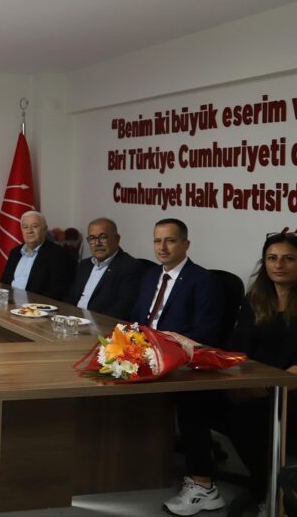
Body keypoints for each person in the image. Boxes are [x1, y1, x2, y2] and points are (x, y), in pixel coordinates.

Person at [164, 232, 297, 516]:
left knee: (246, 416)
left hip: (287, 394)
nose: (279, 265)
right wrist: (236, 382)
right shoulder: (256, 299)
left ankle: (273, 491)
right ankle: (202, 485)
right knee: (192, 398)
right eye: (272, 258)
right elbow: (236, 349)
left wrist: (265, 388)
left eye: (288, 259)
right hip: (250, 384)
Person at [129, 218, 223, 346]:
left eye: (170, 241)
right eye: (157, 241)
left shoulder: (204, 280)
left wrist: (169, 342)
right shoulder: (150, 275)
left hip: (175, 349)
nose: (162, 247)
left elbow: (204, 333)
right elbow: (135, 318)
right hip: (141, 345)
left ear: (186, 245)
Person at [63, 217, 144, 320]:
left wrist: (87, 322)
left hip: (101, 325)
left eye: (103, 237)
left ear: (117, 239)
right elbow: (71, 298)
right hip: (73, 321)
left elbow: (122, 310)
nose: (97, 243)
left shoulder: (130, 267)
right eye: (92, 238)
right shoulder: (84, 265)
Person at [0, 211, 74, 300]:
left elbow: (56, 292)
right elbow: (4, 283)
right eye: (25, 227)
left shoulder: (57, 255)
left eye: (35, 226)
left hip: (35, 306)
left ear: (45, 229)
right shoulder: (15, 252)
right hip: (9, 302)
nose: (29, 231)